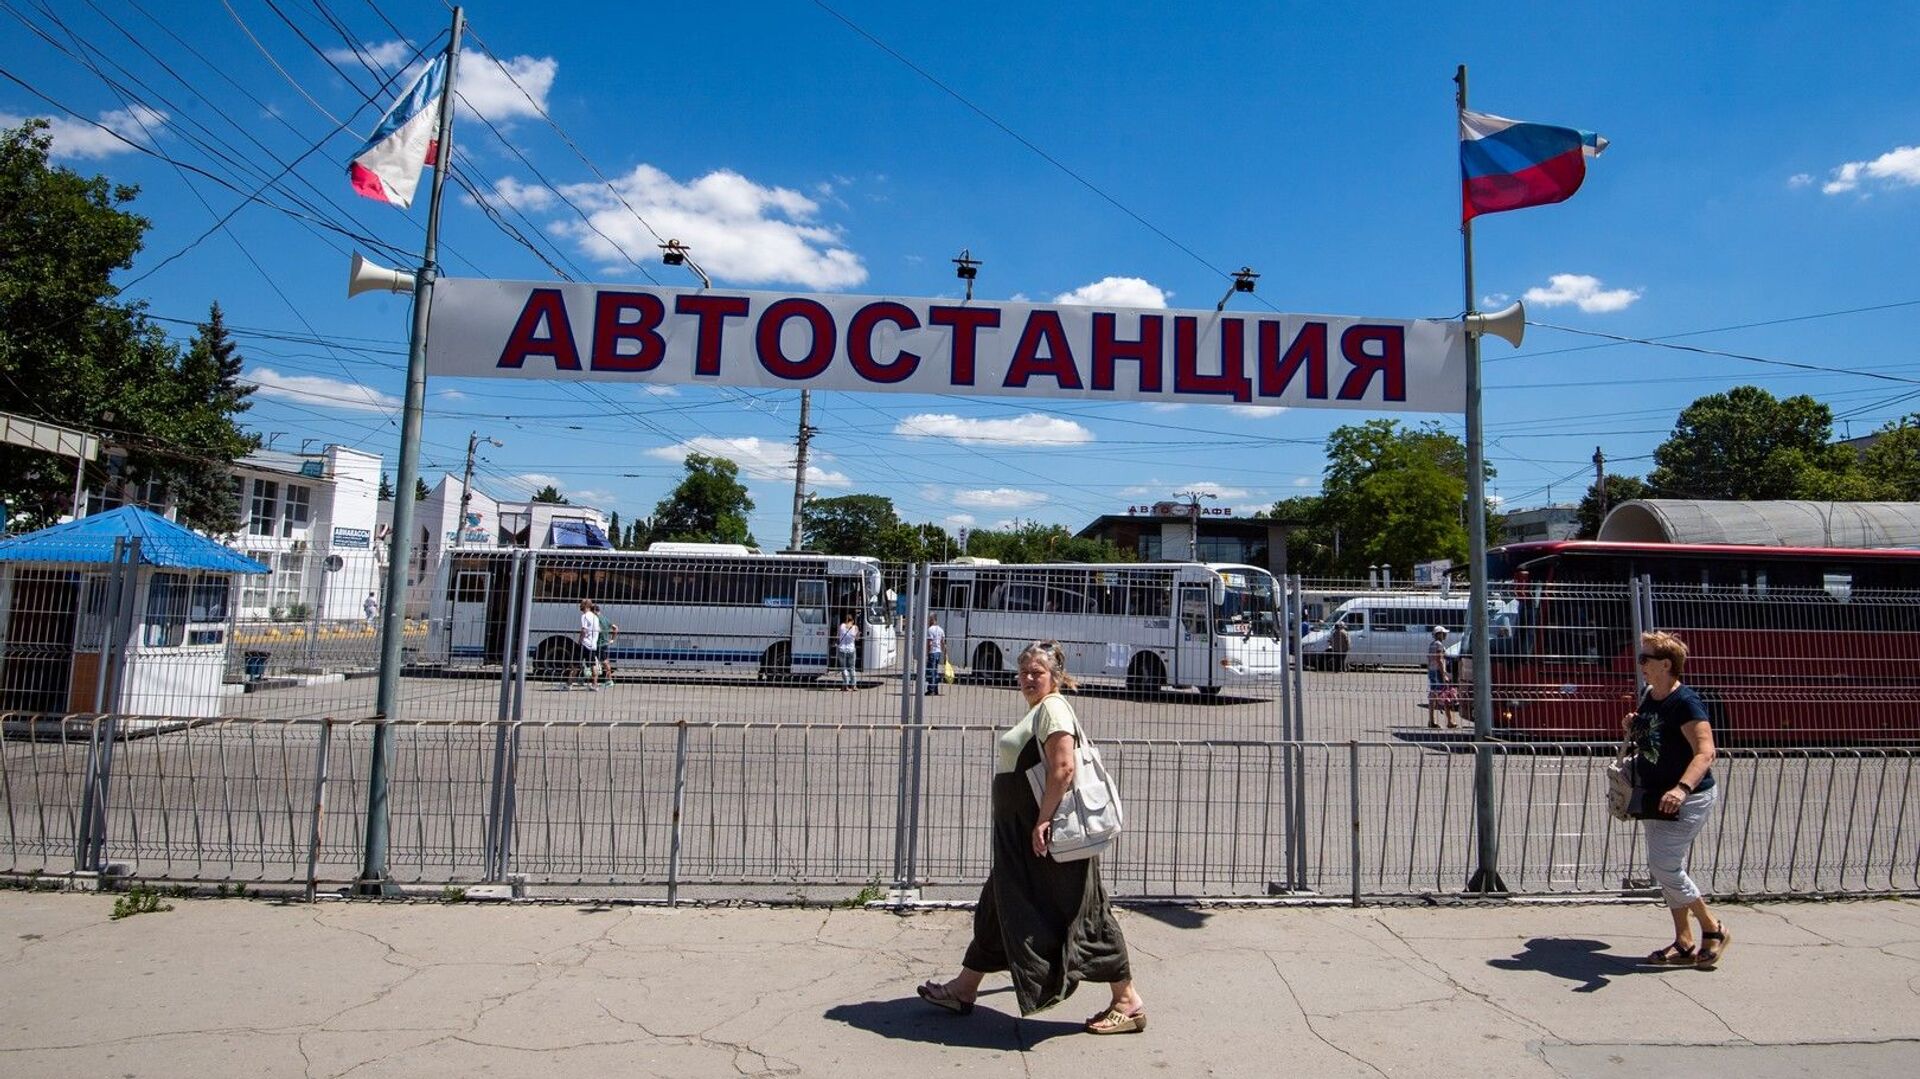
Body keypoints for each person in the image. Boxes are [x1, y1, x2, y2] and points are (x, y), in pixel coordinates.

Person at [916, 640, 1145, 1034]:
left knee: (1082, 913)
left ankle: (1127, 1000)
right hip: (1021, 839)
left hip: (1045, 839)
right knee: (998, 905)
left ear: (1054, 676)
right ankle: (964, 988)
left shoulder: (1053, 708)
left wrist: (1042, 821)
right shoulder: (1040, 710)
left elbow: (1062, 768)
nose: (1027, 679)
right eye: (1022, 671)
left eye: (1036, 672)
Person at [1625, 631, 1729, 969]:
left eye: (1645, 659)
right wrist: (1632, 726)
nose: (1640, 664)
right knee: (1668, 867)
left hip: (1687, 797)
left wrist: (1681, 788)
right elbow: (1652, 739)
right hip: (1656, 795)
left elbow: (1705, 752)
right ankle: (1684, 942)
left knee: (1664, 866)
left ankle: (1712, 928)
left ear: (1666, 664)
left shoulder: (1686, 702)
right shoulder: (1649, 696)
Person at [1426, 626, 1458, 730]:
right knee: (1445, 696)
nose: (1445, 635)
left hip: (1431, 671)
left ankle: (1431, 720)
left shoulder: (1432, 644)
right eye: (1444, 633)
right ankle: (1450, 721)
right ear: (1439, 634)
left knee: (1433, 695)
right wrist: (1444, 673)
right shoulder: (1439, 645)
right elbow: (1439, 659)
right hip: (1438, 672)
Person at [572, 598, 601, 691]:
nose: (580, 606)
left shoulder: (584, 616)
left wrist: (579, 641)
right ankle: (595, 685)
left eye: (581, 604)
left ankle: (569, 684)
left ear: (585, 606)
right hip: (593, 644)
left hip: (585, 643)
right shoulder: (595, 617)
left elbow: (584, 630)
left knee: (575, 664)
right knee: (593, 665)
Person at [594, 601, 617, 684]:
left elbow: (598, 629)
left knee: (604, 662)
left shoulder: (597, 619)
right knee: (602, 661)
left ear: (594, 611)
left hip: (599, 643)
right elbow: (615, 628)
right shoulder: (605, 619)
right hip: (604, 643)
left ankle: (609, 680)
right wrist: (612, 639)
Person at [835, 612, 859, 691]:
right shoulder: (855, 627)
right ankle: (853, 685)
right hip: (851, 649)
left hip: (842, 649)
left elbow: (838, 636)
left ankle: (845, 685)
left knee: (844, 668)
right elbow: (857, 638)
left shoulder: (841, 626)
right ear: (852, 620)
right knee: (852, 668)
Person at [925, 614, 946, 696]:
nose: (928, 621)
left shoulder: (930, 630)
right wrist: (945, 653)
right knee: (935, 671)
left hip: (932, 652)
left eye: (929, 619)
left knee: (931, 671)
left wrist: (927, 654)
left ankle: (931, 689)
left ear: (932, 619)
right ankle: (936, 689)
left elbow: (929, 643)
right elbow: (943, 642)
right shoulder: (941, 629)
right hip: (938, 652)